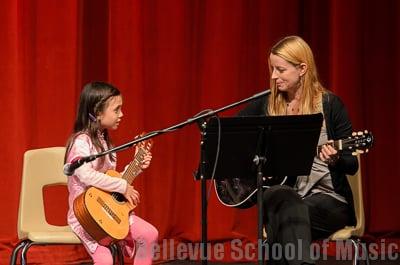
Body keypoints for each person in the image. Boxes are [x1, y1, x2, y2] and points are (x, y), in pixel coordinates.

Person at [238, 36, 358, 265]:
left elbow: (352, 165)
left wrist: (335, 160)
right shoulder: (267, 104)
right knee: (279, 196)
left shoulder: (330, 105)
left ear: (302, 68)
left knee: (283, 220)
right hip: (285, 199)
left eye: (280, 69)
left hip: (329, 202)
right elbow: (236, 135)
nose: (273, 76)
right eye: (272, 69)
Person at [65, 81, 158, 265]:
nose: (121, 115)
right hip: (87, 216)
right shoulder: (81, 142)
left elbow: (110, 179)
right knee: (105, 260)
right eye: (116, 110)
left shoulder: (107, 143)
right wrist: (123, 186)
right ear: (98, 112)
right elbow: (86, 175)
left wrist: (137, 165)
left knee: (149, 234)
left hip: (108, 211)